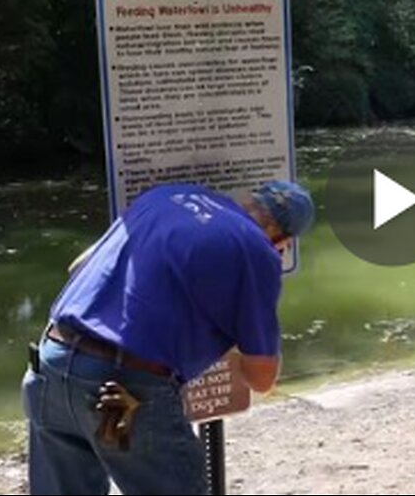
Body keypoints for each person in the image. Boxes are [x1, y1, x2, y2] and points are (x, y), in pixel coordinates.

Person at [22, 179, 314, 495]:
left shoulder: (166, 196)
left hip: (51, 360)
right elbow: (261, 378)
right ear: (282, 240)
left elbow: (78, 267)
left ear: (247, 198)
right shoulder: (257, 252)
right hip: (123, 387)